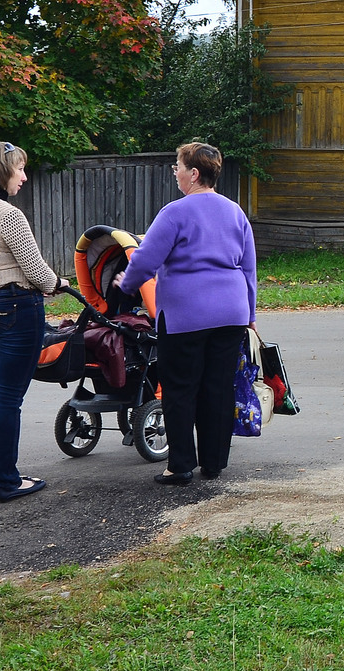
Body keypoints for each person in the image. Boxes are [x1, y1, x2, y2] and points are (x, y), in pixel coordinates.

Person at [114, 142, 257, 485]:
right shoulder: (235, 212)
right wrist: (250, 313)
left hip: (186, 315)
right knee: (219, 387)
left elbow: (145, 258)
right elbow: (249, 268)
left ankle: (179, 466)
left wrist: (125, 283)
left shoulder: (175, 212)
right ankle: (214, 463)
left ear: (193, 173)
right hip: (231, 313)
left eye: (177, 166)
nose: (175, 172)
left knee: (180, 388)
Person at [0, 141, 69, 502]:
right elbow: (36, 270)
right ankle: (8, 480)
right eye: (19, 168)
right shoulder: (8, 214)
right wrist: (56, 284)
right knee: (8, 398)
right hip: (17, 308)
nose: (23, 176)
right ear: (2, 170)